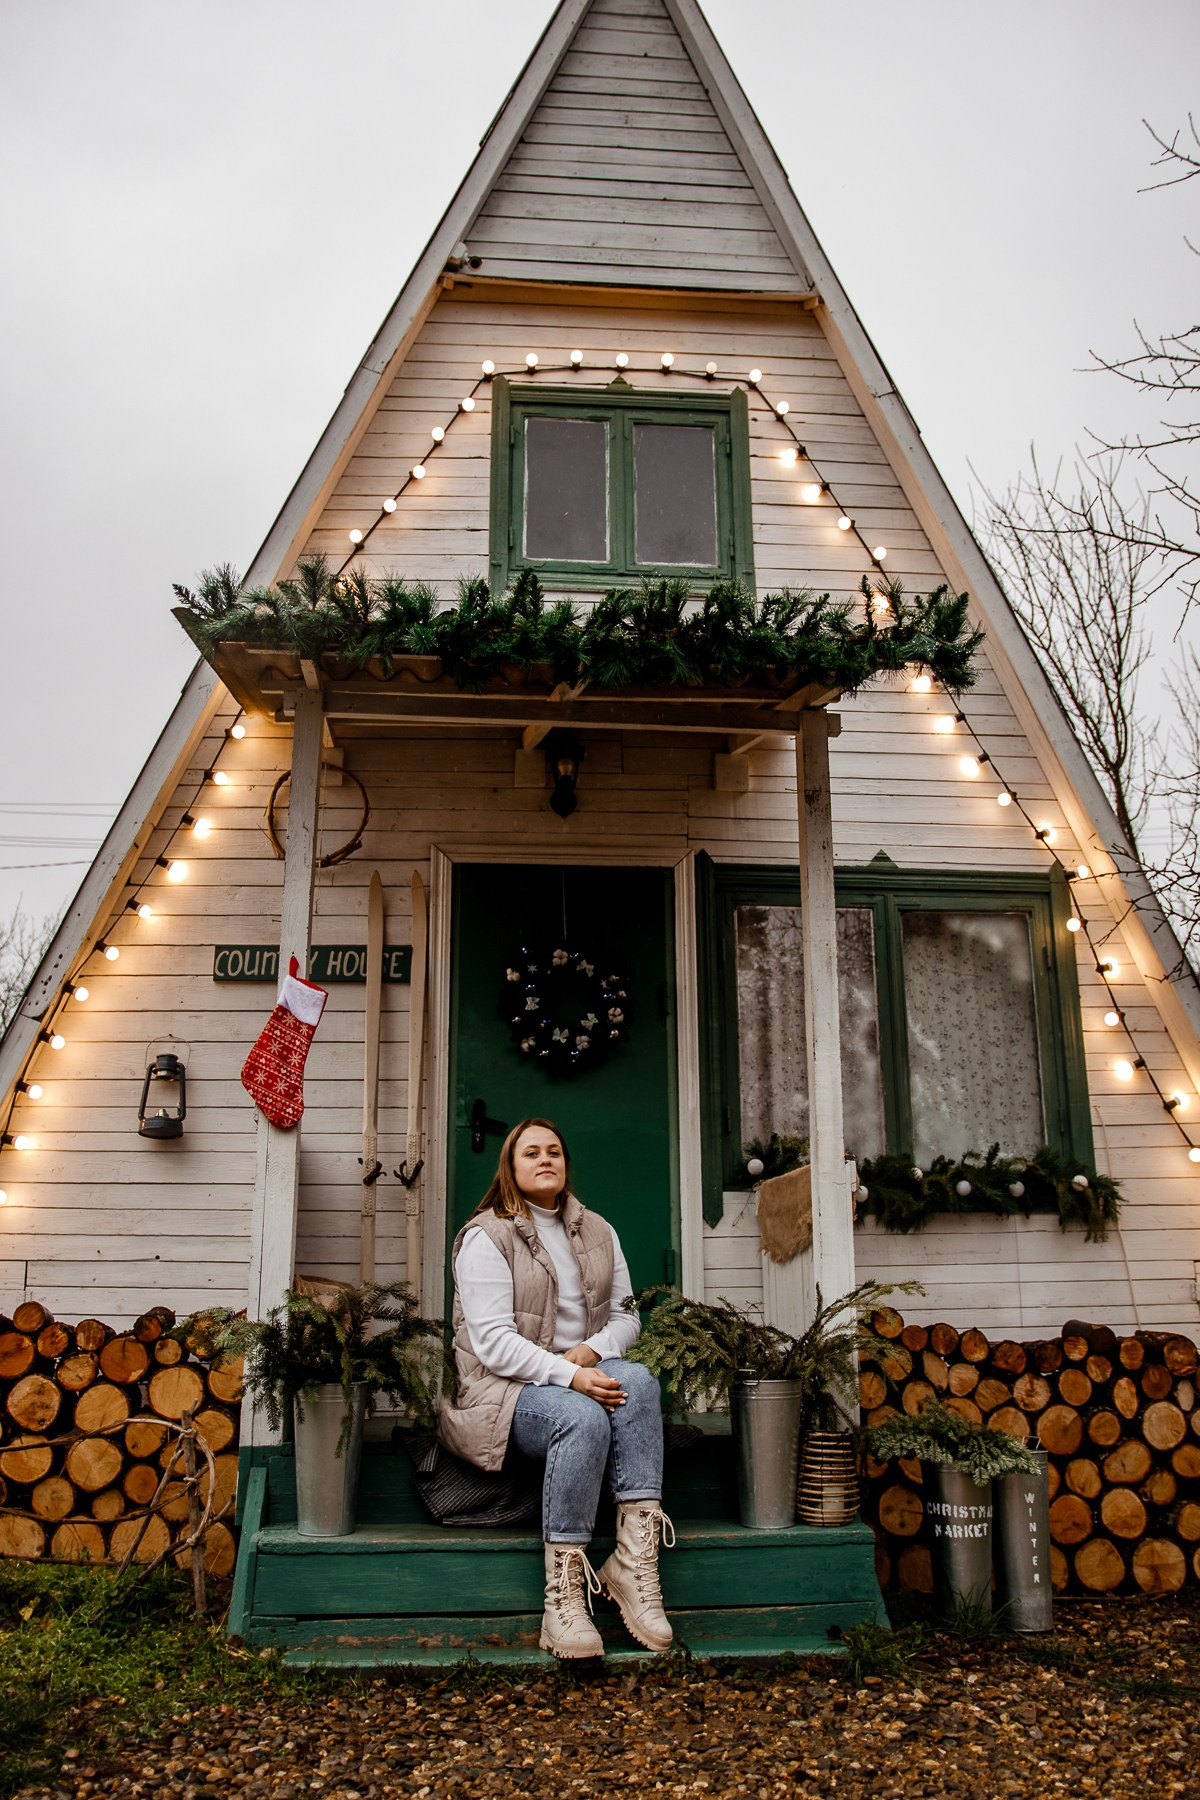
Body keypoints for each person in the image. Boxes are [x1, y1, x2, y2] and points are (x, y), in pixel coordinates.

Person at [438, 1116, 674, 1659]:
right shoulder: (486, 1236)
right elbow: (494, 1344)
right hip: (504, 1391)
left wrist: (591, 1352)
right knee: (582, 1417)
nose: (545, 1159)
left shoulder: (598, 1230)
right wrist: (571, 1376)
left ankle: (633, 1565)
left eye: (554, 1151)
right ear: (510, 1167)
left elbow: (627, 1317)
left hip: (579, 1371)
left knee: (639, 1380)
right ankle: (562, 1598)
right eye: (531, 1153)